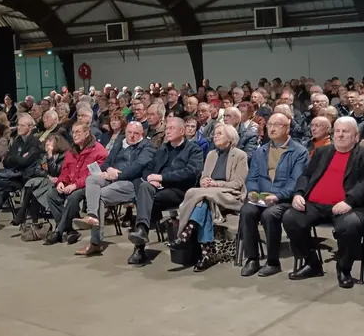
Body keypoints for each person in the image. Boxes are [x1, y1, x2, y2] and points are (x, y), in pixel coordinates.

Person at [282, 116, 364, 289]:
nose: (340, 135)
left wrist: (349, 201)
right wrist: (298, 194)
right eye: (337, 131)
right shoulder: (322, 152)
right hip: (315, 204)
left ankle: (344, 268)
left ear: (356, 137)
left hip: (348, 206)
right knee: (290, 217)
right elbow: (306, 175)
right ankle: (312, 263)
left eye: (345, 132)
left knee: (350, 225)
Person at [239, 113, 309, 277]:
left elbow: (296, 181)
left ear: (287, 127)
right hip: (262, 196)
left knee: (270, 215)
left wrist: (277, 196)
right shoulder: (260, 151)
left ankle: (272, 262)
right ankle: (252, 259)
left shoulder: (299, 152)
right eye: (270, 124)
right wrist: (253, 192)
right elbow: (252, 177)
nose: (272, 128)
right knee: (247, 211)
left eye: (277, 124)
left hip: (284, 199)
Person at [127, 117, 204, 265]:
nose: (167, 132)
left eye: (171, 129)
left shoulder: (194, 149)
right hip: (157, 190)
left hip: (180, 191)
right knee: (144, 188)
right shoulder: (163, 148)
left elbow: (190, 173)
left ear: (182, 131)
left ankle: (140, 246)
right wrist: (151, 178)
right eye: (166, 128)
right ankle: (141, 233)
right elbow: (148, 168)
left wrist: (162, 178)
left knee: (144, 200)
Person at [72, 121, 154, 256]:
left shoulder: (147, 146)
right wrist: (108, 169)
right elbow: (106, 162)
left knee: (100, 195)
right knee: (91, 179)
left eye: (136, 133)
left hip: (131, 182)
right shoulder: (120, 142)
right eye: (129, 132)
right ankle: (92, 215)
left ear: (142, 134)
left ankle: (95, 243)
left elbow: (138, 167)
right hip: (111, 177)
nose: (132, 136)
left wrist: (116, 175)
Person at [176, 123, 248, 271]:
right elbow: (204, 177)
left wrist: (216, 184)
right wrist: (205, 181)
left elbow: (238, 183)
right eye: (215, 133)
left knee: (200, 197)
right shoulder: (211, 154)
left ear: (230, 138)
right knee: (203, 201)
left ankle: (187, 231)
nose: (215, 136)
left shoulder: (240, 155)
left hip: (230, 195)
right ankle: (205, 254)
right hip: (209, 195)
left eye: (219, 133)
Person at [44, 122, 108, 245]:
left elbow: (93, 175)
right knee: (51, 194)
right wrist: (61, 182)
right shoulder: (71, 151)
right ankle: (70, 230)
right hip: (71, 184)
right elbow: (65, 170)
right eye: (73, 132)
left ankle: (59, 231)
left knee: (73, 197)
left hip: (89, 187)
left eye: (78, 132)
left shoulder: (99, 151)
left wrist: (75, 185)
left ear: (86, 133)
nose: (74, 135)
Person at [11, 134, 69, 230]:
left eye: (50, 142)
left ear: (57, 143)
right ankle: (32, 221)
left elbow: (56, 172)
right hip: (46, 180)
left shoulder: (64, 156)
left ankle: (23, 213)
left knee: (33, 185)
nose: (47, 144)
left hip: (59, 182)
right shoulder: (44, 155)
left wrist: (50, 157)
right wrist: (47, 176)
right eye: (46, 142)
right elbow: (37, 170)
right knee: (34, 187)